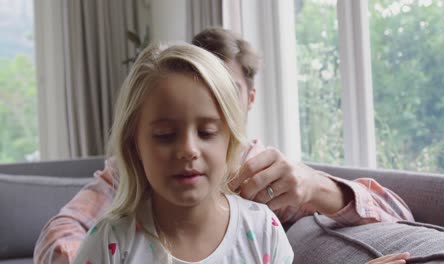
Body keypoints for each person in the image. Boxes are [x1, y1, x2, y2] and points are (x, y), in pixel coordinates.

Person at [34, 27, 413, 264]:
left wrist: (317, 186)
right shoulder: (125, 201)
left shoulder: (269, 186)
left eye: (219, 96)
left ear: (246, 100)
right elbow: (61, 230)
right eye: (166, 132)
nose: (188, 150)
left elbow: (401, 219)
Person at [72, 43, 294, 263]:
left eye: (206, 133)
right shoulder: (111, 242)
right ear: (134, 145)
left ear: (230, 141)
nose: (188, 150)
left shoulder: (263, 230)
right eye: (165, 134)